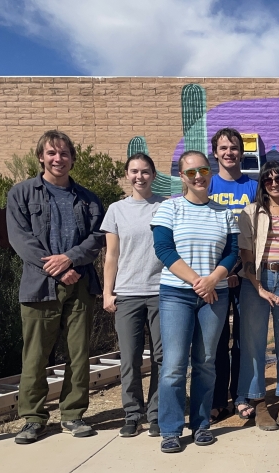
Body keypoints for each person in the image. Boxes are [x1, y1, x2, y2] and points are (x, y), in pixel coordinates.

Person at [6, 130, 105, 444]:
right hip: (40, 287)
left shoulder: (89, 199)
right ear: (40, 157)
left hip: (81, 284)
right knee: (35, 356)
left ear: (72, 158)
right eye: (51, 153)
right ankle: (33, 419)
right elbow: (20, 239)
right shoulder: (21, 194)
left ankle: (73, 415)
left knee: (78, 354)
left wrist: (70, 260)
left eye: (64, 153)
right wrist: (57, 269)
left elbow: (97, 238)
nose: (57, 159)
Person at [151, 151, 239, 453]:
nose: (198, 176)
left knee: (206, 362)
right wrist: (198, 282)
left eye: (203, 170)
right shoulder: (169, 208)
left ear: (210, 172)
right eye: (191, 172)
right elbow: (163, 249)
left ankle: (201, 424)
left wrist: (213, 279)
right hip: (177, 294)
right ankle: (171, 429)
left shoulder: (224, 212)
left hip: (215, 294)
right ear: (181, 176)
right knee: (174, 365)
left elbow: (232, 252)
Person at [101, 153, 165, 438]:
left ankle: (156, 413)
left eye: (145, 171)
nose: (140, 176)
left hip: (162, 292)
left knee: (163, 357)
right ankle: (132, 413)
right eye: (134, 171)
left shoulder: (166, 207)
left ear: (153, 174)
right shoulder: (116, 210)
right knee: (130, 358)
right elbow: (111, 255)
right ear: (127, 175)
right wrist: (107, 292)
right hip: (127, 293)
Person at [236, 161, 279, 431]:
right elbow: (246, 254)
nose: (274, 183)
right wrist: (258, 287)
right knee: (253, 345)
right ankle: (260, 403)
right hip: (257, 281)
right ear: (262, 184)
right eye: (268, 180)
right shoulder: (250, 213)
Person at [207, 128, 257, 422]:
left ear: (242, 152)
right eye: (223, 148)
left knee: (242, 339)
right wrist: (220, 273)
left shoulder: (252, 187)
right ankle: (217, 398)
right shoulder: (206, 185)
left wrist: (238, 269)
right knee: (215, 338)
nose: (229, 153)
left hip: (245, 275)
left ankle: (240, 395)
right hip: (213, 276)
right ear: (215, 152)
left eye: (234, 148)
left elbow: (256, 234)